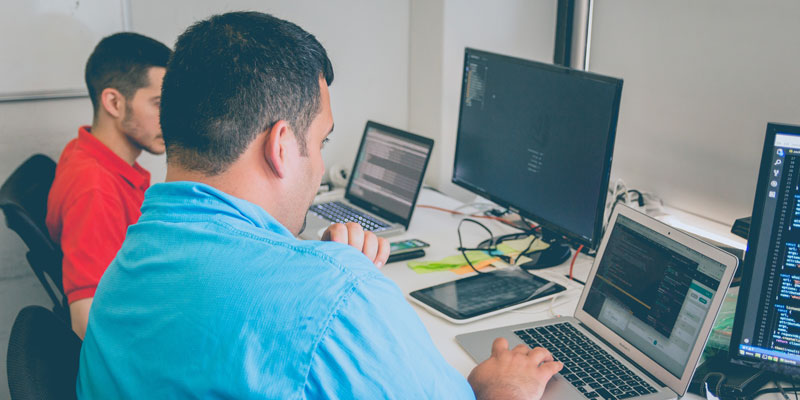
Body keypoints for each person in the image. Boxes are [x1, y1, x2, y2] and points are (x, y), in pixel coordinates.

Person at [77, 12, 562, 399]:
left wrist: (304, 261)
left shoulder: (128, 261)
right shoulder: (339, 297)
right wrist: (504, 389)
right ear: (282, 146)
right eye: (322, 140)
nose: (321, 164)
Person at [45, 32, 171, 339]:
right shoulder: (95, 190)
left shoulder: (85, 150)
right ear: (114, 102)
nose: (171, 117)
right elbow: (86, 323)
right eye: (159, 103)